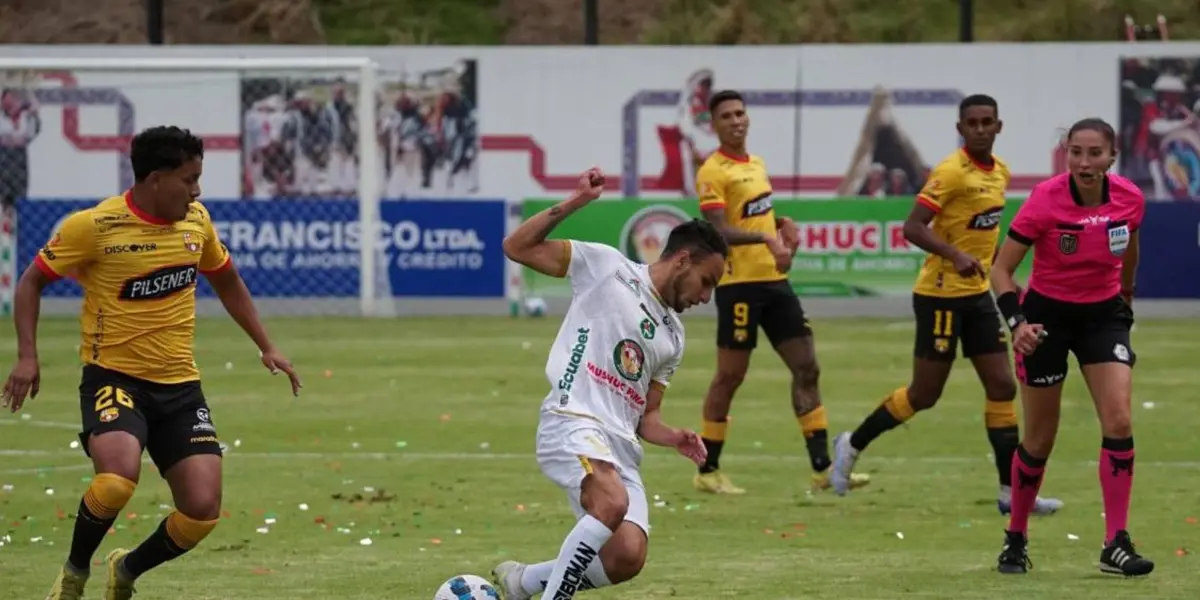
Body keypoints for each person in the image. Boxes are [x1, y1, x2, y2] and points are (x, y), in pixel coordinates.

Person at [1, 126, 303, 600]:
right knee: (117, 478)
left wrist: (266, 345)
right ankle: (74, 574)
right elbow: (30, 283)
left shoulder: (197, 222)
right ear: (157, 179)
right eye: (190, 178)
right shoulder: (95, 227)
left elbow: (227, 280)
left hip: (181, 387)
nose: (197, 189)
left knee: (202, 510)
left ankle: (126, 570)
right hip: (113, 378)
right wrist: (27, 356)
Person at [492, 168, 727, 599]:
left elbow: (646, 416)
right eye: (707, 281)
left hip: (620, 446)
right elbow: (516, 247)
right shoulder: (606, 266)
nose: (706, 296)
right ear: (682, 260)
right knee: (612, 504)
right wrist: (577, 201)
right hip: (572, 417)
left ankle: (521, 582)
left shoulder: (673, 337)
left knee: (626, 557)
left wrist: (673, 436)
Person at [829, 94, 1064, 515]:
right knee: (924, 394)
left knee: (1002, 385)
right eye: (971, 122)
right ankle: (852, 443)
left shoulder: (1000, 174)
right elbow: (912, 227)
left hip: (976, 297)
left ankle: (1012, 493)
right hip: (939, 296)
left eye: (986, 122)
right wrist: (954, 254)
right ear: (961, 128)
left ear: (998, 127)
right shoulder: (950, 172)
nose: (979, 129)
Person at [990, 118, 1152, 577]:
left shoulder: (1129, 198)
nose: (1084, 162)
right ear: (1067, 154)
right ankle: (1016, 537)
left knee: (1119, 418)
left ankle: (1115, 543)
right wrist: (1017, 323)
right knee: (1040, 438)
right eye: (1076, 152)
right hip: (1046, 319)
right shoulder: (1045, 200)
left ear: (1111, 157)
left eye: (1094, 153)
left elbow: (1130, 246)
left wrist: (1126, 295)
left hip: (1103, 316)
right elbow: (1000, 271)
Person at [692, 89, 868, 494]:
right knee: (729, 377)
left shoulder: (756, 164)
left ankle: (823, 469)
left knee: (807, 367)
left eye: (740, 113)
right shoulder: (712, 171)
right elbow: (717, 229)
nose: (736, 120)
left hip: (774, 283)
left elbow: (755, 216)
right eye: (726, 116)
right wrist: (767, 241)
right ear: (714, 125)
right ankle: (707, 471)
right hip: (738, 286)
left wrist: (783, 229)